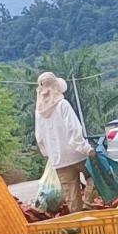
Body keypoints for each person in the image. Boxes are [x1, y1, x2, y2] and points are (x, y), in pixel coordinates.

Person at [34, 71, 92, 213]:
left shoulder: (39, 113)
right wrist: (86, 148)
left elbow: (40, 137)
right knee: (96, 177)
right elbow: (74, 129)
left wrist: (51, 154)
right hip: (77, 154)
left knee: (72, 198)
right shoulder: (62, 105)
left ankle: (79, 225)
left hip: (59, 161)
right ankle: (88, 202)